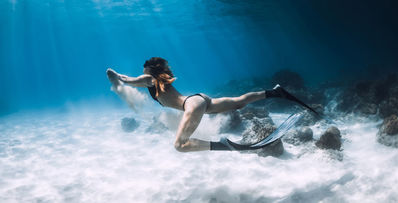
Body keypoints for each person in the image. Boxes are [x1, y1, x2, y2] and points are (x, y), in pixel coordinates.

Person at [106, 57, 295, 152]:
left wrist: (115, 76)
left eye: (144, 70)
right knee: (238, 102)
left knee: (180, 146)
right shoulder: (157, 80)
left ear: (149, 70)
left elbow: (128, 79)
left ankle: (224, 145)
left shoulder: (149, 78)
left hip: (192, 105)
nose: (142, 73)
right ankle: (275, 92)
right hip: (198, 99)